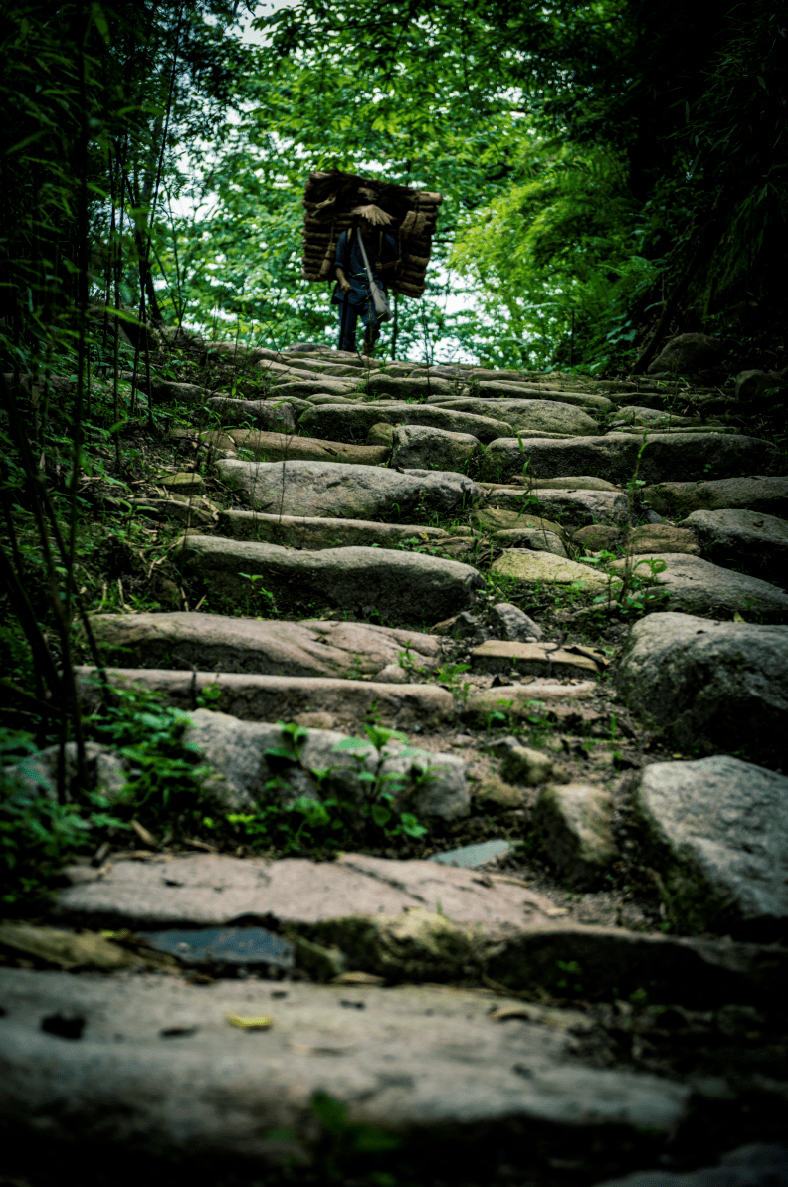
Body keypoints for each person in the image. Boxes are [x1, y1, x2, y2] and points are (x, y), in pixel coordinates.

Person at [332, 204, 405, 356]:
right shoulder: (348, 236)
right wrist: (343, 282)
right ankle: (346, 360)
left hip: (372, 290)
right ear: (360, 222)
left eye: (373, 227)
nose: (370, 230)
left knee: (374, 323)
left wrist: (385, 266)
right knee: (346, 332)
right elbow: (338, 264)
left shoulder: (383, 239)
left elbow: (403, 257)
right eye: (367, 226)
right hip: (349, 290)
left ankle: (368, 349)